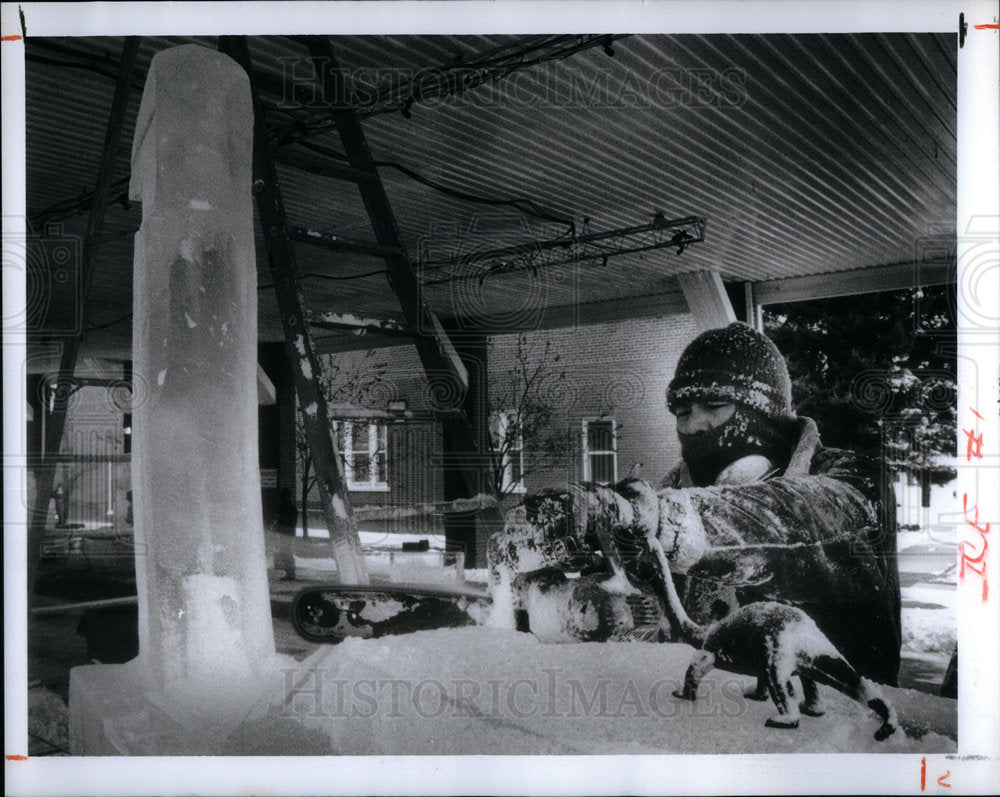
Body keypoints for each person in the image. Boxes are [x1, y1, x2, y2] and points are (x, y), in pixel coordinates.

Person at [488, 321, 902, 687]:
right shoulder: (665, 501)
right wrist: (539, 588)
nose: (695, 424)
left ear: (769, 411)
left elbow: (791, 517)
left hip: (847, 733)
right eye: (682, 411)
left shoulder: (855, 482)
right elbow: (622, 617)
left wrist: (641, 515)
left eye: (716, 405)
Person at [273, 487, 298, 581]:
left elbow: (280, 520)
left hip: (284, 533)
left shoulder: (283, 506)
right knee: (287, 553)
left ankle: (290, 573)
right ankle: (290, 572)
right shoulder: (291, 507)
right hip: (289, 533)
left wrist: (278, 527)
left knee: (286, 553)